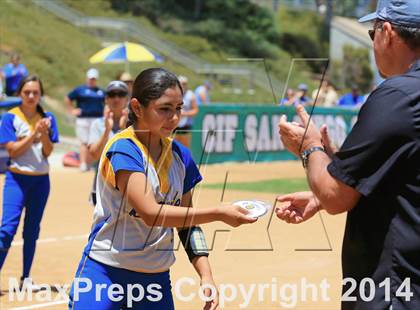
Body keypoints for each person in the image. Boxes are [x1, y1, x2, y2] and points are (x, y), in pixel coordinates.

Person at [68, 68, 256, 309]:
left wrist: (205, 274)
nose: (175, 118)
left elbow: (187, 225)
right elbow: (151, 213)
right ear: (137, 108)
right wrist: (219, 213)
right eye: (165, 109)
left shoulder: (181, 156)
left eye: (178, 108)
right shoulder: (124, 149)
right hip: (105, 272)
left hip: (154, 279)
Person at [277, 0, 420, 308]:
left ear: (388, 32)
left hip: (394, 290)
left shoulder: (398, 94)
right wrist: (336, 166)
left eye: (372, 33)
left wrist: (310, 148)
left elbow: (335, 195)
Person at [0, 75, 59, 288]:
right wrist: (34, 133)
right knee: (7, 229)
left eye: (35, 92)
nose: (32, 96)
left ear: (40, 94)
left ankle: (26, 278)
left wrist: (44, 135)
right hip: (16, 179)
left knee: (32, 231)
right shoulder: (10, 117)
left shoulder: (48, 117)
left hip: (41, 181)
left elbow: (48, 151)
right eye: (27, 92)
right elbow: (12, 150)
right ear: (19, 94)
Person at [88, 80, 129, 205]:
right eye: (112, 95)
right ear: (106, 99)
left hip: (129, 188)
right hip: (102, 187)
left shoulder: (136, 125)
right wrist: (107, 130)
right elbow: (94, 155)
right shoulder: (97, 124)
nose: (116, 99)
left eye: (120, 95)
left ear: (127, 99)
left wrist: (124, 129)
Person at [65, 68, 105, 172]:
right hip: (83, 120)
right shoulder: (80, 90)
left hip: (97, 120)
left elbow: (107, 103)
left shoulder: (100, 92)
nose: (92, 80)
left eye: (94, 79)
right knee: (84, 142)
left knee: (94, 142)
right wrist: (72, 110)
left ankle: (90, 164)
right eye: (91, 78)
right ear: (87, 78)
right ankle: (82, 163)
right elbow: (68, 98)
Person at [174, 75, 198, 148]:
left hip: (185, 125)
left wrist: (185, 114)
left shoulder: (190, 95)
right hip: (173, 124)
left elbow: (195, 110)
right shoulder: (173, 93)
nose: (182, 85)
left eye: (184, 83)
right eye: (181, 83)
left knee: (184, 147)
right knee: (171, 146)